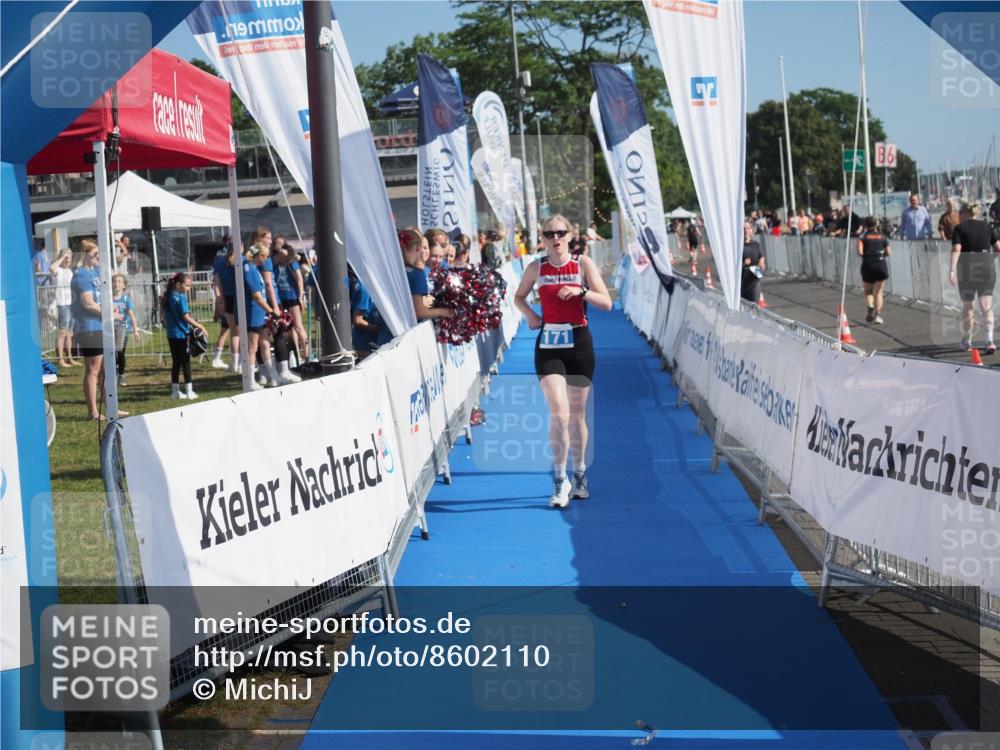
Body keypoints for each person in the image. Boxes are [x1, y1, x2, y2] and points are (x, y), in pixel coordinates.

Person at [513, 214, 613, 509]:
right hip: (549, 346)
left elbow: (606, 303)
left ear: (570, 236)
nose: (555, 238)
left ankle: (579, 472)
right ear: (542, 238)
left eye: (560, 232)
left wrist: (581, 290)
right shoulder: (536, 267)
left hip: (579, 343)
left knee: (577, 416)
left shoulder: (582, 265)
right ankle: (559, 480)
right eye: (549, 233)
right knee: (559, 414)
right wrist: (531, 315)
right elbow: (519, 297)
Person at [71, 240, 126, 419]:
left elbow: (101, 297)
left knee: (105, 369)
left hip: (101, 325)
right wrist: (110, 314)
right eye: (94, 253)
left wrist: (112, 308)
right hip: (89, 327)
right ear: (84, 254)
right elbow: (88, 303)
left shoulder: (95, 272)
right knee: (93, 369)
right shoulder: (81, 275)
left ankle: (111, 408)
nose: (98, 256)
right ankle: (93, 412)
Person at [950, 203, 1000, 353]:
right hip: (986, 267)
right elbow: (998, 247)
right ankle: (989, 340)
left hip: (967, 270)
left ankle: (967, 340)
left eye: (959, 212)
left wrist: (952, 269)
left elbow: (956, 249)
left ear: (965, 213)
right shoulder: (986, 227)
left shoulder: (959, 228)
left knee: (968, 306)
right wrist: (991, 259)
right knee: (986, 306)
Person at [162, 272, 208, 400]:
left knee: (176, 363)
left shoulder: (168, 296)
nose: (189, 288)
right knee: (186, 363)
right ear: (178, 285)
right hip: (182, 334)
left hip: (171, 334)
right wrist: (200, 326)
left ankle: (175, 391)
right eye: (187, 286)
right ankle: (189, 391)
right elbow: (185, 317)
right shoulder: (181, 297)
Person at [400, 229, 454, 322]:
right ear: (418, 248)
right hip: (406, 329)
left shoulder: (398, 269)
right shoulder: (417, 273)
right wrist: (443, 312)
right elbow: (420, 312)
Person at [856, 216, 891, 325]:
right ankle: (877, 315)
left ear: (866, 225)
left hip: (868, 264)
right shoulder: (882, 236)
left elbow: (860, 252)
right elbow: (889, 252)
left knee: (868, 291)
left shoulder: (862, 236)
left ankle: (870, 306)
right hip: (880, 264)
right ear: (876, 225)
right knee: (879, 292)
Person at [111, 274, 139, 386]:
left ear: (124, 285)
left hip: (123, 329)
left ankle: (121, 375)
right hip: (110, 330)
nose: (116, 284)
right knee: (111, 353)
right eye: (114, 281)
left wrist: (136, 330)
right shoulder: (108, 299)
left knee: (120, 352)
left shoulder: (126, 299)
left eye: (119, 282)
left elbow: (132, 315)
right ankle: (113, 374)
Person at [51, 250, 77, 368]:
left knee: (69, 333)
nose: (67, 260)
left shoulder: (70, 271)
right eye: (66, 258)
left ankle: (70, 358)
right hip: (62, 303)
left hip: (71, 303)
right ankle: (60, 359)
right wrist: (62, 257)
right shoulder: (59, 270)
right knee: (62, 331)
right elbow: (52, 268)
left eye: (69, 258)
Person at [740, 223, 766, 304]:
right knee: (743, 306)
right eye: (743, 229)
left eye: (747, 228)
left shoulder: (756, 244)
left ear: (751, 230)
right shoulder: (738, 246)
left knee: (754, 305)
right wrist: (743, 263)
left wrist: (761, 264)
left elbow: (761, 257)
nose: (745, 231)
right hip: (742, 280)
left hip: (754, 278)